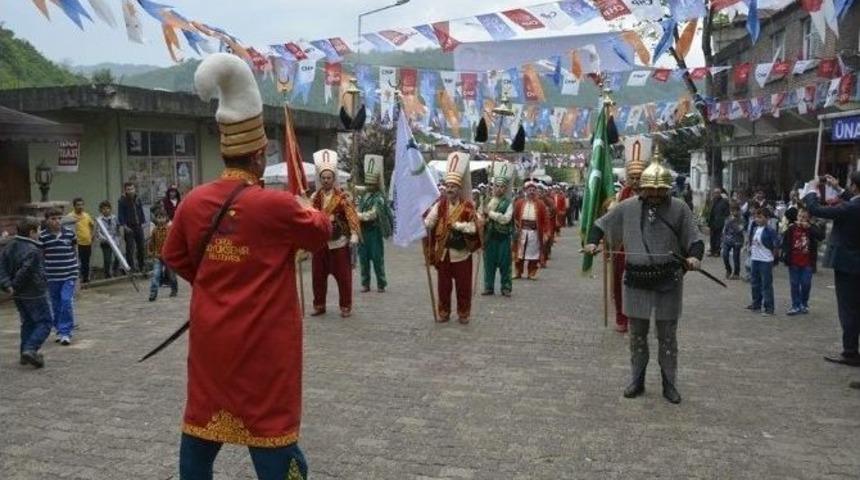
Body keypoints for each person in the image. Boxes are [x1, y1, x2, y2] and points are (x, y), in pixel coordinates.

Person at [161, 53, 330, 480]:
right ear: (259, 155)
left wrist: (218, 282)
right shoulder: (276, 205)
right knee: (270, 431)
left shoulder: (194, 200)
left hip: (212, 335)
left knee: (201, 427)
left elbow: (175, 256)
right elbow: (321, 232)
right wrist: (307, 205)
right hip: (263, 341)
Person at [584, 151, 704, 404]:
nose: (656, 195)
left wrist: (694, 257)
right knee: (637, 335)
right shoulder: (626, 207)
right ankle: (636, 379)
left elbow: (695, 239)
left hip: (668, 279)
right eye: (651, 190)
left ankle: (669, 382)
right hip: (636, 279)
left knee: (668, 337)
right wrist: (593, 243)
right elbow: (600, 225)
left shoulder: (679, 208)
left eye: (660, 191)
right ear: (643, 188)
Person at [803, 173, 860, 368]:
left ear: (854, 186)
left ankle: (850, 351)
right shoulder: (852, 204)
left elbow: (816, 209)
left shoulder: (851, 207)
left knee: (848, 309)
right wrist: (839, 189)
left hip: (848, 263)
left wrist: (811, 189)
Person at [424, 152, 481, 324]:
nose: (449, 189)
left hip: (461, 253)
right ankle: (444, 312)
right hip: (443, 253)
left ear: (459, 188)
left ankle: (463, 313)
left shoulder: (467, 207)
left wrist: (458, 226)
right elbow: (430, 221)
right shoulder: (440, 205)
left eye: (453, 186)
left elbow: (475, 227)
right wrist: (421, 224)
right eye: (447, 186)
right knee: (443, 287)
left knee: (463, 286)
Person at [310, 149, 361, 318]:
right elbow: (308, 216)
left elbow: (352, 216)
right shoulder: (314, 197)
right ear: (320, 179)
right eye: (323, 178)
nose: (326, 180)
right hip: (320, 244)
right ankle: (319, 305)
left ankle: (345, 306)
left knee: (344, 278)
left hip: (338, 242)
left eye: (329, 177)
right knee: (317, 277)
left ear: (334, 178)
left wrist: (354, 234)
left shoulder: (343, 197)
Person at [0, 217, 51, 368]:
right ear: (31, 232)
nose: (40, 233)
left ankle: (24, 353)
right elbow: (26, 271)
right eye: (39, 230)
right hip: (34, 291)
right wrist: (14, 285)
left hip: (18, 294)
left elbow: (1, 267)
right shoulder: (33, 250)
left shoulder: (9, 246)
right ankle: (30, 349)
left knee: (28, 322)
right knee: (45, 322)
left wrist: (8, 286)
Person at [608, 157, 646, 333]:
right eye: (633, 177)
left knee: (643, 283)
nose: (636, 181)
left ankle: (639, 317)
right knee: (620, 281)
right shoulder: (621, 195)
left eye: (640, 177)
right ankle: (621, 317)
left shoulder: (653, 194)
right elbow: (612, 217)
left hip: (646, 244)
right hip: (624, 245)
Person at [40, 207, 78, 346]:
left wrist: (75, 269)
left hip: (69, 275)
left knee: (66, 301)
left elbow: (73, 251)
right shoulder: (42, 237)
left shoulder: (69, 234)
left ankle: (66, 332)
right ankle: (59, 329)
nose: (56, 221)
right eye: (53, 219)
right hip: (52, 276)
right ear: (47, 220)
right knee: (56, 304)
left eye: (58, 218)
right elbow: (42, 256)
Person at [357, 154, 390, 293]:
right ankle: (365, 283)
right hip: (362, 232)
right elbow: (357, 191)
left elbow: (372, 215)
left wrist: (357, 215)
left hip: (374, 232)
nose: (368, 186)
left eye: (371, 184)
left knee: (377, 259)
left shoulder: (379, 198)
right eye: (367, 184)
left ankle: (381, 283)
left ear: (376, 184)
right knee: (363, 259)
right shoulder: (364, 195)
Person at [782, 208, 824, 316]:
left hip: (807, 262)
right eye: (800, 216)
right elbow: (785, 241)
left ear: (808, 219)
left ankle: (804, 303)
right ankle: (795, 305)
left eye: (804, 217)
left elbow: (821, 236)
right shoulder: (792, 228)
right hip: (794, 261)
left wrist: (810, 227)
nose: (801, 219)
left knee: (806, 284)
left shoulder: (811, 228)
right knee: (794, 284)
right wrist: (786, 256)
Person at [481, 161, 514, 297]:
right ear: (493, 186)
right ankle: (488, 287)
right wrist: (481, 218)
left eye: (502, 187)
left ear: (506, 189)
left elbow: (505, 219)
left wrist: (490, 214)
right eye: (497, 186)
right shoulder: (487, 200)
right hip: (489, 237)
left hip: (503, 238)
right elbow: (480, 214)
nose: (499, 189)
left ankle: (506, 287)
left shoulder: (509, 203)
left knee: (505, 263)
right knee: (489, 263)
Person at [513, 180, 550, 280]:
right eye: (529, 190)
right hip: (522, 232)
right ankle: (518, 272)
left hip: (535, 233)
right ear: (526, 191)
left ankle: (531, 273)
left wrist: (546, 233)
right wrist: (515, 228)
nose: (531, 192)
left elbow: (546, 219)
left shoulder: (541, 204)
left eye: (533, 190)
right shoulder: (519, 203)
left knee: (533, 253)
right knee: (519, 253)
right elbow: (515, 217)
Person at [746, 208, 779, 316]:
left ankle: (769, 307)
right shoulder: (754, 228)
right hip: (755, 259)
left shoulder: (770, 230)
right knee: (755, 283)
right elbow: (751, 241)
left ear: (767, 218)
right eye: (756, 217)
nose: (757, 219)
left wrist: (774, 258)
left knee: (766, 284)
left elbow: (775, 245)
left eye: (760, 217)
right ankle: (756, 303)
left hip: (765, 260)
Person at [147, 206, 177, 301]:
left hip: (168, 256)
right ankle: (153, 292)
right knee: (156, 274)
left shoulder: (170, 229)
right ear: (156, 219)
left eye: (162, 217)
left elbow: (174, 242)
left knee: (171, 274)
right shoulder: (154, 231)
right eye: (159, 217)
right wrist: (150, 251)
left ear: (166, 218)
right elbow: (152, 242)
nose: (161, 220)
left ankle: (174, 288)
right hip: (158, 256)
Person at [118, 182, 147, 272]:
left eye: (132, 189)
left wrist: (143, 223)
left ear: (135, 189)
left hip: (138, 226)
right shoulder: (122, 201)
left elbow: (141, 211)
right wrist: (124, 226)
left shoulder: (138, 199)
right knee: (130, 248)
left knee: (141, 247)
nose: (130, 191)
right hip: (129, 227)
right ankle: (131, 268)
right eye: (128, 189)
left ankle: (142, 266)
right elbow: (121, 214)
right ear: (125, 190)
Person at [66, 197, 95, 283]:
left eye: (82, 205)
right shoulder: (70, 217)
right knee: (77, 262)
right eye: (78, 205)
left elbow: (92, 225)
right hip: (77, 243)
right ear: (74, 206)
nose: (80, 207)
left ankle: (86, 279)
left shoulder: (86, 215)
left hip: (87, 242)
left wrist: (92, 235)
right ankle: (77, 280)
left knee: (86, 261)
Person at [95, 201, 121, 279]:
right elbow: (98, 232)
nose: (106, 210)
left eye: (107, 208)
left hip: (115, 241)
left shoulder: (114, 218)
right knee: (107, 259)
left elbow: (117, 229)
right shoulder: (99, 220)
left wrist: (118, 239)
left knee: (118, 257)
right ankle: (107, 274)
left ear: (110, 209)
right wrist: (106, 239)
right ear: (100, 210)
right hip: (105, 242)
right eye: (103, 209)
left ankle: (115, 270)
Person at [721, 202, 745, 280]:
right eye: (732, 210)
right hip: (727, 240)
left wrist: (733, 222)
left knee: (736, 257)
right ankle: (728, 269)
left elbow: (739, 230)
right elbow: (725, 229)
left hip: (737, 241)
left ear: (738, 211)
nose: (734, 212)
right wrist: (723, 238)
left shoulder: (742, 219)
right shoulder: (728, 218)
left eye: (736, 210)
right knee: (725, 255)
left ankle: (736, 273)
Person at [707, 188, 730, 257]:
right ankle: (712, 250)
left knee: (718, 237)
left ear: (720, 194)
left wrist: (723, 220)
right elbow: (710, 212)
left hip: (720, 223)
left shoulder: (724, 202)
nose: (716, 194)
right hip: (712, 222)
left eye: (717, 193)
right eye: (715, 193)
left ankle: (717, 251)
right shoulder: (713, 201)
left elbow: (727, 213)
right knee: (712, 237)